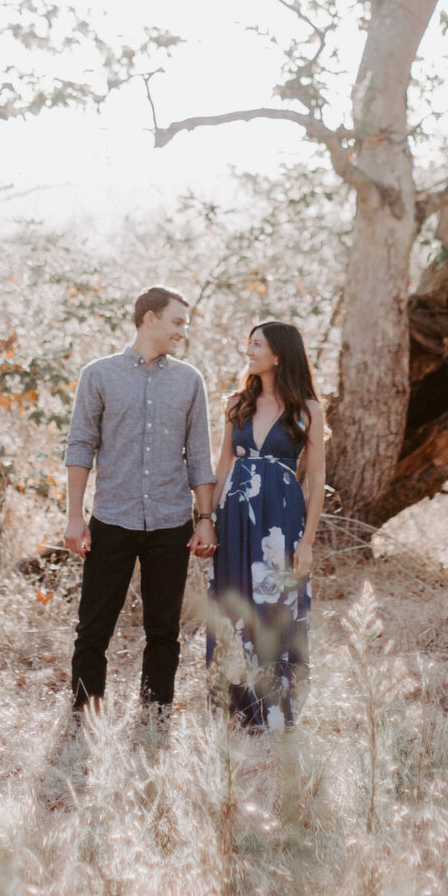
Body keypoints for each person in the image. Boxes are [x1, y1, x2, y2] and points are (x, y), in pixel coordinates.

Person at [64, 285, 216, 714]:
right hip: (112, 518)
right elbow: (80, 447)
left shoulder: (189, 381)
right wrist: (75, 517)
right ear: (149, 318)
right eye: (177, 322)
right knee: (94, 626)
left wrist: (205, 518)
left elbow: (200, 456)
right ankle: (85, 709)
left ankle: (156, 712)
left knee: (164, 628)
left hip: (171, 521)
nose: (182, 332)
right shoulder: (99, 375)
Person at [206, 320, 328, 728]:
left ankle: (277, 709)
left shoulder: (308, 409)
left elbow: (316, 480)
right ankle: (234, 710)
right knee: (232, 604)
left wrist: (307, 541)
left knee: (277, 608)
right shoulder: (237, 403)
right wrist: (206, 519)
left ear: (278, 354)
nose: (249, 351)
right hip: (235, 521)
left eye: (256, 344)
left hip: (281, 524)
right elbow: (223, 464)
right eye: (249, 343)